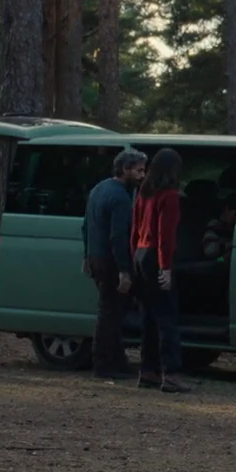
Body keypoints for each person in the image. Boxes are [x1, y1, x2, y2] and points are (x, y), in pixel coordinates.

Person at [82, 148, 147, 380]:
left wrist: (86, 255)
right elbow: (118, 236)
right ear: (125, 169)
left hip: (97, 258)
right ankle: (104, 364)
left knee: (113, 312)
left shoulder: (99, 189)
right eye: (139, 170)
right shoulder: (120, 198)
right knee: (110, 314)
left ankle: (117, 361)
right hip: (111, 262)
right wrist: (124, 270)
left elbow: (86, 225)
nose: (142, 175)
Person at [131, 148, 192, 393]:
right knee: (167, 317)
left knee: (148, 317)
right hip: (156, 257)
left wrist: (133, 259)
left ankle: (148, 370)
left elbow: (135, 229)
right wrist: (165, 268)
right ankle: (171, 373)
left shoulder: (144, 193)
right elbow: (165, 236)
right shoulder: (169, 196)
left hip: (141, 254)